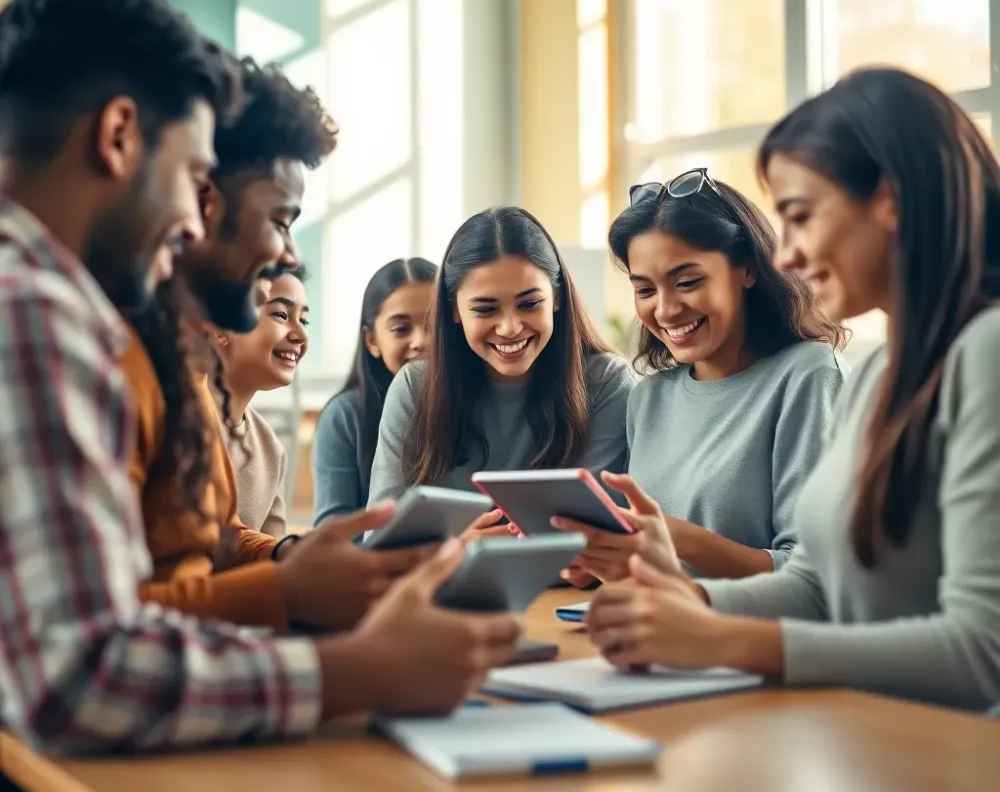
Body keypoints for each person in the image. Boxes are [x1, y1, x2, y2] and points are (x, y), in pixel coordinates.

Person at [0, 0, 522, 761]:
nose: (191, 213)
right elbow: (80, 677)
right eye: (191, 176)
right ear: (117, 138)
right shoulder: (34, 310)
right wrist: (356, 669)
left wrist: (286, 570)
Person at [585, 67, 1000, 712]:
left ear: (890, 200)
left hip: (952, 765)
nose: (786, 255)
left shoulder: (987, 350)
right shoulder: (879, 370)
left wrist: (724, 639)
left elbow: (983, 653)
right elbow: (818, 586)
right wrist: (687, 606)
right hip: (862, 740)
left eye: (801, 217)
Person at [123, 57, 444, 635]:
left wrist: (286, 557)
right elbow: (102, 630)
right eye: (280, 219)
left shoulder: (186, 377)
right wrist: (310, 625)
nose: (289, 256)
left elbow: (212, 537)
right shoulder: (112, 363)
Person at [552, 174, 847, 582]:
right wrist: (600, 557)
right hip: (659, 628)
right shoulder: (650, 397)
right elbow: (654, 566)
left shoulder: (809, 376)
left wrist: (680, 540)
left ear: (747, 269)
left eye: (687, 282)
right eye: (645, 290)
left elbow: (815, 571)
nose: (666, 310)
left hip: (751, 639)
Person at [368, 206, 634, 509]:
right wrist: (462, 548)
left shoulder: (607, 384)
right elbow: (379, 537)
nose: (510, 328)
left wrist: (456, 546)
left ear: (557, 297)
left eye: (530, 304)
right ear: (454, 309)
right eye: (485, 309)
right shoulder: (415, 387)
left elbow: (593, 529)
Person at [313, 257, 436, 527]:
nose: (421, 341)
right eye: (401, 329)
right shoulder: (344, 416)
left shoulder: (481, 402)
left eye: (434, 324)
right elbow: (333, 532)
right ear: (372, 340)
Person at [213, 263, 310, 536]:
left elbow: (272, 558)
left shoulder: (271, 449)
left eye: (304, 320)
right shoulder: (179, 419)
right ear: (220, 327)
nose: (301, 335)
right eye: (281, 314)